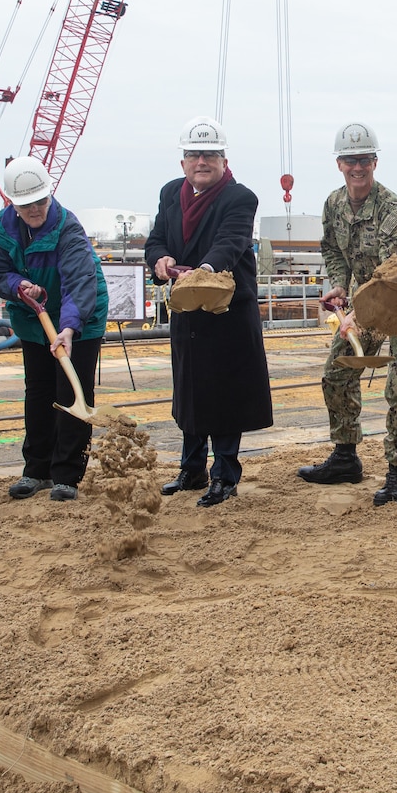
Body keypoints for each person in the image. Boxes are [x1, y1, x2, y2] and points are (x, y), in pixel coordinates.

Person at [297, 124, 397, 506]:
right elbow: (331, 249)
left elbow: (395, 279)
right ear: (339, 164)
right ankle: (345, 457)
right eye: (349, 161)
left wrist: (355, 317)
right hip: (364, 301)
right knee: (337, 374)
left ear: (374, 162)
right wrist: (340, 285)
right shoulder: (333, 205)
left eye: (364, 160)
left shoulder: (393, 211)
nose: (357, 168)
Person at [143, 117, 274, 507]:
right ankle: (192, 468)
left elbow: (230, 242)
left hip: (226, 313)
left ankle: (225, 474)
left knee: (226, 394)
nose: (202, 161)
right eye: (194, 155)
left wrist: (206, 270)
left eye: (210, 155)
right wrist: (160, 259)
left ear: (223, 159)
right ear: (183, 161)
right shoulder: (170, 194)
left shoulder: (239, 198)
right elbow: (156, 240)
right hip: (187, 313)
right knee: (190, 393)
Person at [0, 157, 110, 503]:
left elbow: (78, 282)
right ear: (14, 203)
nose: (36, 209)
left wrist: (69, 327)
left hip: (81, 315)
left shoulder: (67, 227)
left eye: (41, 201)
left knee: (72, 391)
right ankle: (36, 470)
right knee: (39, 391)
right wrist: (19, 285)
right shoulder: (5, 227)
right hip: (34, 317)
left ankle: (67, 475)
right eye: (27, 205)